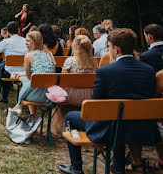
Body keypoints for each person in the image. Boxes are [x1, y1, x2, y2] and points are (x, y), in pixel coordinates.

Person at [58, 28, 159, 174]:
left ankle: (76, 167)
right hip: (140, 128)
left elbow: (95, 105)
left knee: (71, 117)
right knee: (117, 119)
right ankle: (118, 167)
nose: (109, 50)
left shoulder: (105, 72)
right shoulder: (149, 71)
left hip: (110, 128)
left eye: (109, 47)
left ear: (116, 49)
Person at [51, 35, 98, 137]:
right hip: (89, 95)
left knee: (56, 99)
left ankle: (59, 128)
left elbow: (63, 79)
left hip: (71, 96)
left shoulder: (70, 61)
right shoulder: (94, 62)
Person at [8, 31, 55, 117]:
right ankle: (30, 113)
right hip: (50, 93)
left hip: (37, 95)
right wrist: (22, 74)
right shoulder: (49, 54)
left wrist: (21, 75)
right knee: (31, 81)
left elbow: (29, 76)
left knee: (27, 81)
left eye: (28, 41)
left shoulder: (29, 56)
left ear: (34, 42)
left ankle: (20, 107)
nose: (25, 43)